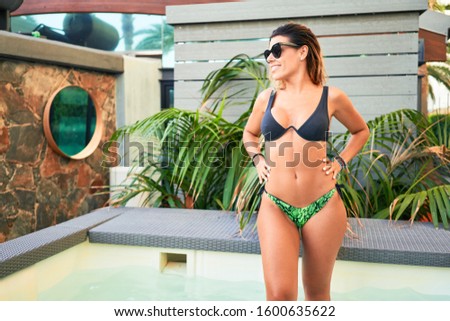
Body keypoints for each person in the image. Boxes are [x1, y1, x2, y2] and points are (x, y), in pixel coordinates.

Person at [243, 22, 370, 301]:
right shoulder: (267, 99)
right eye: (267, 53)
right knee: (279, 297)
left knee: (317, 296)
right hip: (276, 204)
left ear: (302, 52)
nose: (270, 58)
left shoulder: (331, 97)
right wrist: (257, 158)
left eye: (277, 49)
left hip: (323, 205)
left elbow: (361, 132)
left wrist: (340, 162)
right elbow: (249, 133)